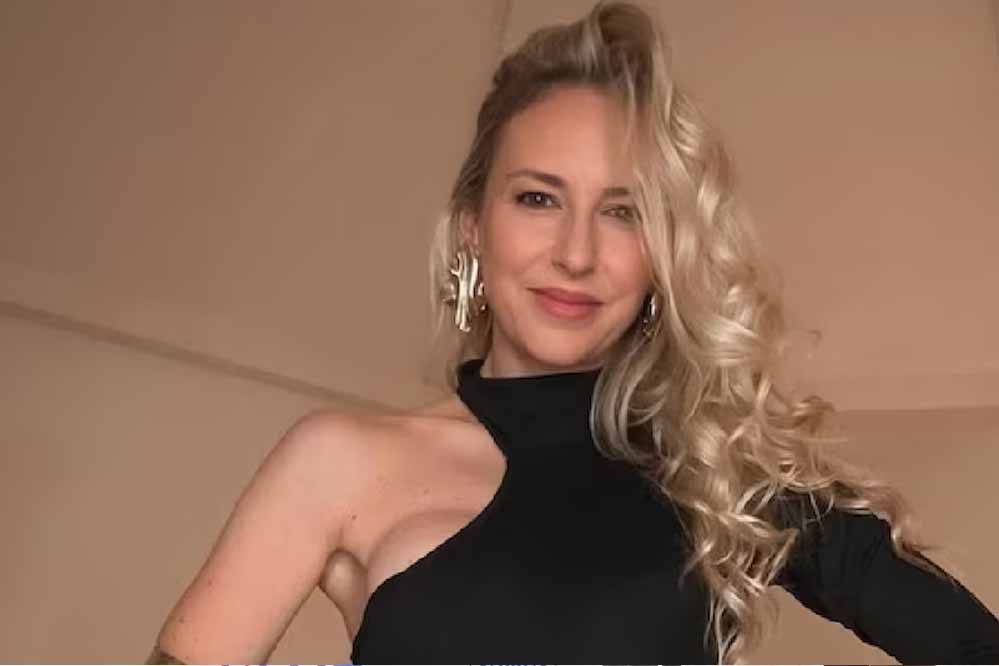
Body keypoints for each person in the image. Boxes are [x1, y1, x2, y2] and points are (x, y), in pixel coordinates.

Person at [146, 1, 999, 663]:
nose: (576, 253)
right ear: (472, 225)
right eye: (537, 198)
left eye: (622, 212)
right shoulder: (338, 462)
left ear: (662, 253)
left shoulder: (721, 471)